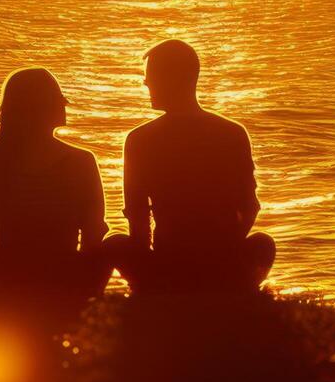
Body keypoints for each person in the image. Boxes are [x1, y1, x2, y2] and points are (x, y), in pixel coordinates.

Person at [109, 40, 275, 294]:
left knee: (116, 243)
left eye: (150, 76)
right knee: (262, 243)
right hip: (222, 261)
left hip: (169, 263)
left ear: (173, 79)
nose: (146, 83)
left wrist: (149, 270)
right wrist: (224, 249)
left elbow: (138, 219)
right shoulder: (232, 133)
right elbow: (249, 206)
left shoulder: (140, 140)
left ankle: (149, 292)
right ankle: (234, 289)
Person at [0, 67, 113, 302]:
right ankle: (83, 297)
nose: (64, 105)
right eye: (58, 100)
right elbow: (93, 231)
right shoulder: (81, 160)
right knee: (114, 245)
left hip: (14, 271)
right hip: (64, 272)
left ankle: (1, 295)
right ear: (38, 108)